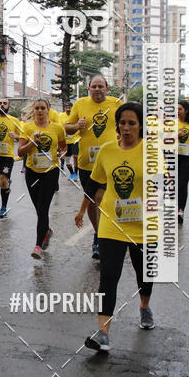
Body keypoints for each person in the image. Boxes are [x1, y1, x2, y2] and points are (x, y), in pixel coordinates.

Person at [75, 102, 154, 352]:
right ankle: (103, 333)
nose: (127, 128)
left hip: (143, 226)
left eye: (132, 123)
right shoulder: (107, 151)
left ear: (141, 125)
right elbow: (95, 184)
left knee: (144, 273)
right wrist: (81, 210)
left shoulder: (152, 151)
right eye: (122, 123)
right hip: (111, 224)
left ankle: (144, 306)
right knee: (109, 276)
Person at [65, 75, 121, 260]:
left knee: (100, 198)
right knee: (89, 199)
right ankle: (98, 234)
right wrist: (76, 125)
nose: (97, 89)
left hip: (110, 161)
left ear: (107, 88)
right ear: (88, 88)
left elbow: (127, 124)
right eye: (94, 86)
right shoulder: (80, 103)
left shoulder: (116, 104)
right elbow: (67, 128)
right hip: (86, 162)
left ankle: (104, 237)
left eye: (101, 86)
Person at [18, 98, 66, 258]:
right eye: (36, 108)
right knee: (39, 209)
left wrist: (61, 153)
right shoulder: (27, 127)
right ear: (34, 110)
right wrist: (33, 142)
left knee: (43, 208)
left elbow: (63, 146)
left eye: (42, 108)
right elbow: (20, 152)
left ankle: (37, 246)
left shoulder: (57, 128)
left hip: (50, 172)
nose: (39, 111)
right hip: (32, 172)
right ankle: (47, 230)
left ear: (48, 109)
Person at [0, 98, 25, 218]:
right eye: (0, 103)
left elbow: (23, 137)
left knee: (3, 180)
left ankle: (3, 207)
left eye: (5, 103)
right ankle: (7, 182)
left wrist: (16, 136)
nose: (2, 105)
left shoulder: (14, 120)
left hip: (7, 156)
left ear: (9, 106)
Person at [58, 101, 79, 179]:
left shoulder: (76, 115)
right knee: (67, 160)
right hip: (66, 141)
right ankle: (72, 173)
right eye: (66, 108)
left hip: (75, 139)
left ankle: (76, 174)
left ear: (72, 108)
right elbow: (59, 126)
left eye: (69, 108)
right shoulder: (60, 116)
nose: (68, 109)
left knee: (75, 157)